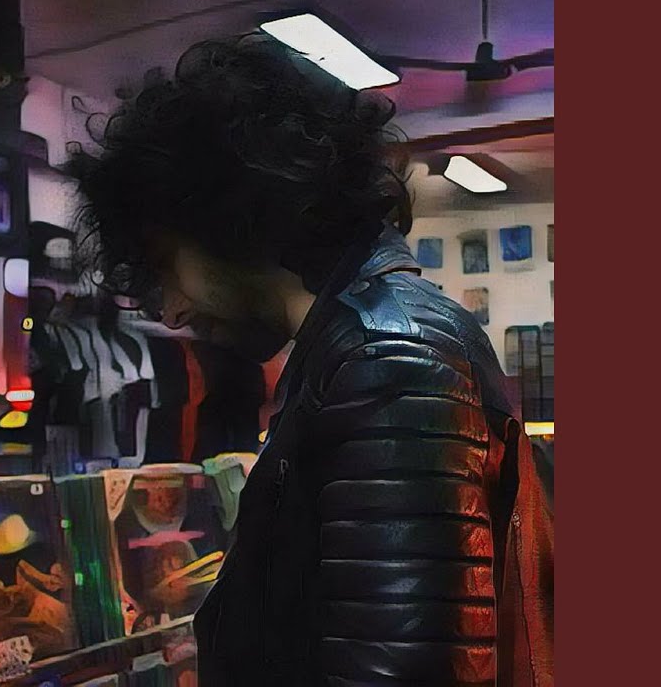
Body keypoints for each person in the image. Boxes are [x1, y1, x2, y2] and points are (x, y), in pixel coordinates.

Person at [70, 34, 553, 686]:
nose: (173, 312)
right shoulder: (358, 345)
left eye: (165, 266)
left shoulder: (386, 355)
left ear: (225, 220)